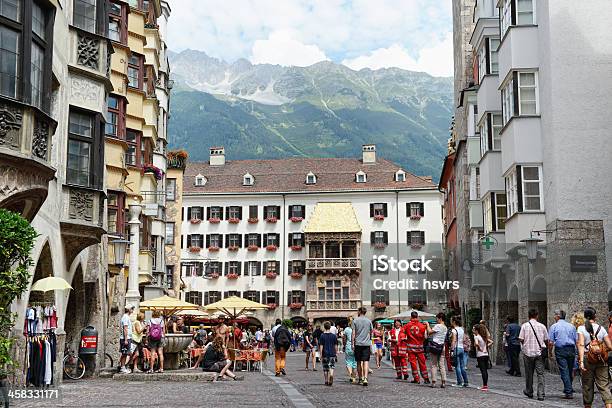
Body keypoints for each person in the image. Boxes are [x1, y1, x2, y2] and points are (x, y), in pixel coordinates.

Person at [577, 307, 612, 408]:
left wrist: (581, 362)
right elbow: (610, 346)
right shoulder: (602, 328)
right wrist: (600, 350)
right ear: (595, 316)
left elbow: (581, 345)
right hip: (601, 359)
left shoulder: (581, 328)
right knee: (604, 386)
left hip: (588, 359)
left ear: (585, 317)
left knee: (587, 386)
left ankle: (588, 406)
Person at [519, 308, 549, 401]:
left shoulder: (524, 326)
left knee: (529, 373)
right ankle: (541, 394)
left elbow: (521, 338)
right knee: (540, 374)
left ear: (529, 316)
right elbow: (546, 339)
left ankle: (529, 391)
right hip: (539, 353)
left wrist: (524, 345)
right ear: (537, 315)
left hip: (528, 353)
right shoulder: (542, 326)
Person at [549, 309, 577, 399]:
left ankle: (568, 391)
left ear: (557, 316)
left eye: (554, 315)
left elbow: (550, 342)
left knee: (564, 370)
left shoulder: (554, 326)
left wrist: (550, 352)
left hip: (560, 350)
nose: (554, 317)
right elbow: (576, 340)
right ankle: (568, 388)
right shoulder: (572, 326)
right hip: (571, 349)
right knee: (569, 369)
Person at [402, 311, 430, 384]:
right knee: (422, 363)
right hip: (420, 348)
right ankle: (426, 378)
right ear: (417, 317)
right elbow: (425, 337)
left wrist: (405, 340)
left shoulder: (407, 325)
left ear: (411, 317)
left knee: (413, 364)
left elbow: (402, 334)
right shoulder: (422, 326)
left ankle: (416, 379)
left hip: (411, 349)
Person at [352, 306, 373, 386]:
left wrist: (352, 344)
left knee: (358, 362)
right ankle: (365, 378)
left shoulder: (355, 321)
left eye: (358, 311)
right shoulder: (369, 321)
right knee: (366, 361)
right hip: (366, 343)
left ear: (360, 312)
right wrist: (370, 339)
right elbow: (371, 332)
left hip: (358, 343)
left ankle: (360, 378)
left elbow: (353, 333)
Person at [427, 312, 447, 388]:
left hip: (435, 346)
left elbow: (430, 332)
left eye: (437, 319)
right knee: (442, 365)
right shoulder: (445, 327)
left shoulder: (438, 326)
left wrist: (428, 325)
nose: (436, 320)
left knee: (433, 365)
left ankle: (434, 381)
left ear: (440, 319)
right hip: (442, 347)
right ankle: (443, 381)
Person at [450, 316, 468, 387]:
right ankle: (466, 382)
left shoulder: (454, 330)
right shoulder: (461, 329)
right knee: (462, 366)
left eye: (451, 321)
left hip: (456, 348)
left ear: (454, 322)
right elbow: (463, 339)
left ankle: (459, 382)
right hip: (462, 348)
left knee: (457, 366)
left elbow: (454, 340)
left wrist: (452, 349)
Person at [318, 321, 338, 386]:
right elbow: (335, 346)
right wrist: (336, 353)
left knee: (325, 368)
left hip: (325, 354)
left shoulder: (322, 336)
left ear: (324, 327)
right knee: (331, 366)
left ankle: (326, 380)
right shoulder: (334, 336)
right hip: (332, 353)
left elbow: (321, 346)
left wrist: (320, 355)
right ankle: (331, 375)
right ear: (330, 327)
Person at [473, 324, 490, 391]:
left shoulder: (476, 337)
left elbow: (476, 344)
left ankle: (484, 386)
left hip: (480, 355)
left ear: (477, 330)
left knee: (483, 370)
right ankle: (485, 385)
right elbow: (491, 342)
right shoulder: (484, 337)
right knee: (485, 370)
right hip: (486, 354)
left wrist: (479, 348)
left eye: (474, 329)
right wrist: (486, 347)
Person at [119, 304, 134, 374]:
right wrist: (125, 339)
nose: (133, 310)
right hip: (126, 338)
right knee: (124, 353)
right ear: (129, 310)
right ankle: (122, 367)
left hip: (127, 338)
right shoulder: (125, 317)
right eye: (132, 309)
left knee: (125, 353)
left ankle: (123, 367)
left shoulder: (126, 317)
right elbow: (125, 329)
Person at [343, 317, 357, 383]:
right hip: (356, 346)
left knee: (348, 361)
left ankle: (351, 375)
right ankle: (354, 376)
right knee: (355, 362)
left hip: (348, 346)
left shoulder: (346, 329)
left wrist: (344, 345)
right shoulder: (356, 329)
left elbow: (344, 339)